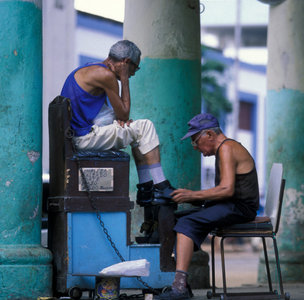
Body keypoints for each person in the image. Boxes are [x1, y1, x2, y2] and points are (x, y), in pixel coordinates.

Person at [155, 113, 260, 300]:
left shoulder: (227, 147)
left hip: (240, 207)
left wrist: (192, 195)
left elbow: (227, 190)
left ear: (210, 134)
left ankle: (179, 289)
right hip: (231, 204)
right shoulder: (224, 148)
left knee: (187, 223)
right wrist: (189, 198)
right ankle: (182, 283)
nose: (195, 147)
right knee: (176, 220)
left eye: (196, 141)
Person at [60, 39, 174, 204]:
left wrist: (121, 121)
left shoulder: (90, 68)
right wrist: (125, 78)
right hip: (83, 138)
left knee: (136, 130)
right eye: (135, 67)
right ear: (126, 62)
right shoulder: (106, 75)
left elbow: (110, 114)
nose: (134, 72)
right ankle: (160, 185)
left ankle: (146, 186)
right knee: (145, 126)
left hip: (78, 135)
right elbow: (124, 113)